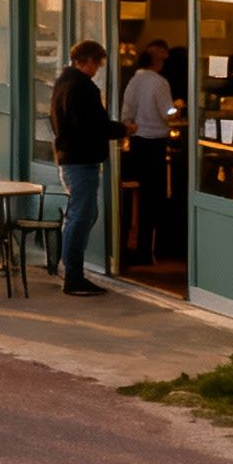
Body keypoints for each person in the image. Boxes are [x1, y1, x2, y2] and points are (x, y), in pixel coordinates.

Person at [50, 38, 127, 296]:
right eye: (98, 63)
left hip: (70, 158)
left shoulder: (63, 83)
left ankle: (71, 269)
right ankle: (73, 275)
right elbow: (96, 125)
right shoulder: (82, 88)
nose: (98, 69)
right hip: (80, 161)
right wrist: (124, 129)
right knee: (80, 217)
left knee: (83, 215)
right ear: (90, 61)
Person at [119, 43, 175, 266]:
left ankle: (133, 247)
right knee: (155, 198)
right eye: (162, 59)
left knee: (140, 197)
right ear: (155, 61)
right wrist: (176, 110)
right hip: (156, 143)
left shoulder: (133, 81)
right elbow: (167, 112)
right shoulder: (160, 83)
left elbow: (126, 112)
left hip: (137, 141)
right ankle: (152, 248)